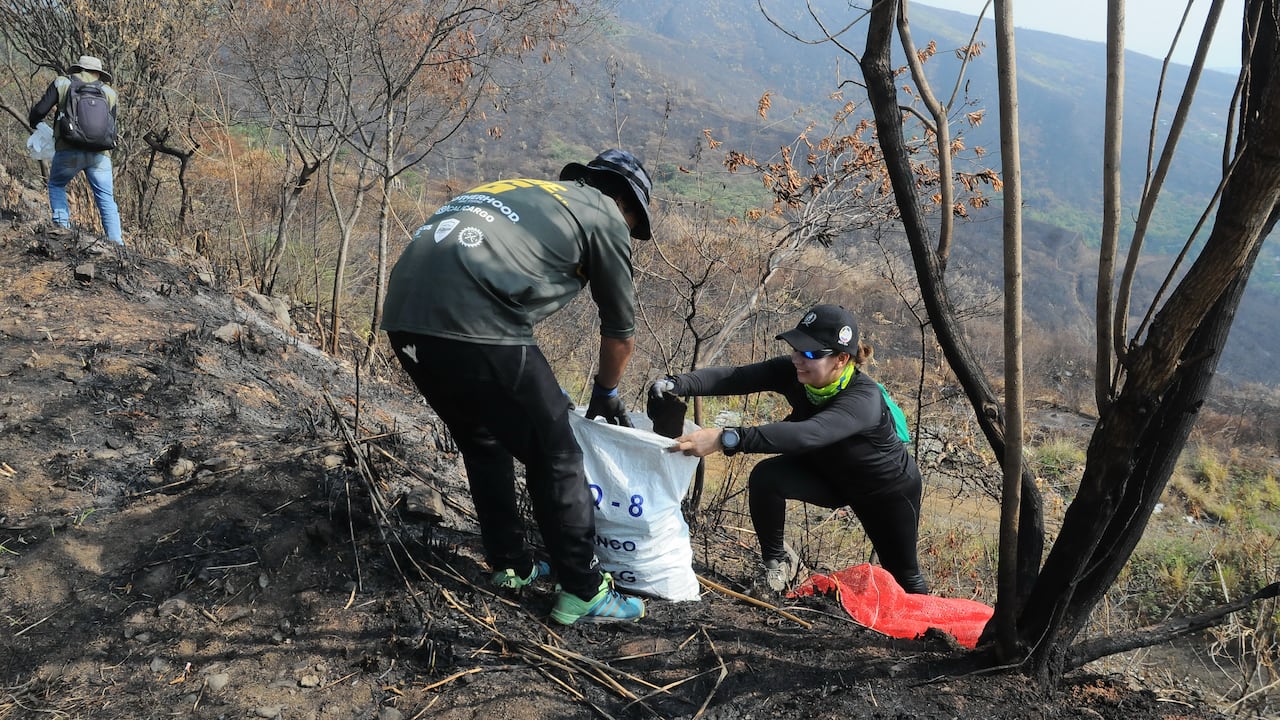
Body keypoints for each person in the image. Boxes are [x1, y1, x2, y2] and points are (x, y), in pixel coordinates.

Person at [381, 149, 654, 624]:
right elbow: (620, 334)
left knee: (483, 440)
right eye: (633, 223)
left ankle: (510, 564)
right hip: (478, 320)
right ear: (625, 203)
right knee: (559, 456)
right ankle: (584, 590)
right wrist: (606, 391)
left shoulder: (524, 189)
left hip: (404, 321)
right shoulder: (606, 216)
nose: (628, 231)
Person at [654, 304, 930, 595]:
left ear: (841, 359)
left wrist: (726, 438)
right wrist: (676, 383)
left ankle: (924, 636)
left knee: (905, 577)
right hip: (831, 478)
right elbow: (736, 377)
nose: (798, 358)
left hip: (885, 491)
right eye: (796, 348)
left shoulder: (863, 399)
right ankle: (777, 565)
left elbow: (807, 434)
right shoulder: (797, 373)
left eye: (810, 353)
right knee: (767, 478)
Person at [27, 54, 123, 247]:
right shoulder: (110, 93)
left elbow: (39, 112)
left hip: (68, 149)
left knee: (57, 185)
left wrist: (36, 123)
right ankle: (118, 245)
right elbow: (112, 128)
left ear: (79, 69)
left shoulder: (62, 83)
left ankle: (63, 232)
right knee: (106, 199)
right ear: (98, 73)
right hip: (100, 155)